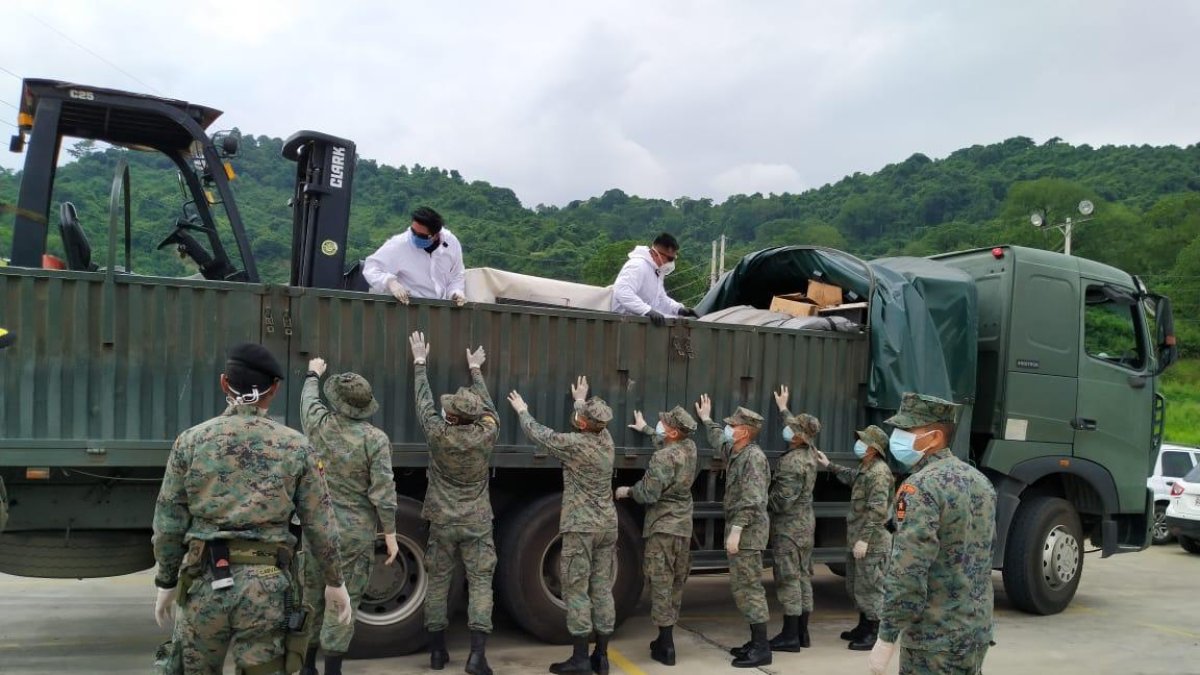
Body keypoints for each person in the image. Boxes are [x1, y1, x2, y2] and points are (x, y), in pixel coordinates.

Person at [151, 343, 353, 674]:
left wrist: (166, 581)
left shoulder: (190, 441)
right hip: (267, 588)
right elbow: (320, 523)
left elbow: (168, 522)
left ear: (223, 383)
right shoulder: (296, 446)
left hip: (203, 582)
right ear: (274, 390)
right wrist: (336, 581)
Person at [868, 393, 996, 675]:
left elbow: (908, 571)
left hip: (934, 638)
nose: (897, 437)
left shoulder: (921, 486)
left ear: (935, 437)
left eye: (906, 430)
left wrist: (886, 635)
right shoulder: (980, 481)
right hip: (975, 631)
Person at [508, 377, 617, 675]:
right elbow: (589, 423)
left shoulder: (574, 444)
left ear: (583, 425)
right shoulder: (606, 440)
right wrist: (580, 401)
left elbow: (540, 435)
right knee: (602, 589)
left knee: (576, 591)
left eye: (580, 417)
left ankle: (580, 658)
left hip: (581, 527)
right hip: (608, 525)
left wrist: (522, 410)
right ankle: (602, 657)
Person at [298, 359, 399, 675]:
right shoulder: (376, 439)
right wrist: (391, 533)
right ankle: (332, 670)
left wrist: (314, 373)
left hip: (317, 530)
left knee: (311, 596)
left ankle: (306, 667)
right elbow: (383, 490)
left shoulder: (319, 424)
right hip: (354, 536)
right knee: (343, 603)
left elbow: (308, 401)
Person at [409, 332, 500, 675]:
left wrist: (420, 364)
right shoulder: (487, 433)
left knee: (438, 585)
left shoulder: (437, 433)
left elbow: (423, 403)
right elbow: (489, 409)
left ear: (450, 417)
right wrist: (476, 371)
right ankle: (477, 657)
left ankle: (437, 653)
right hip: (477, 523)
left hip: (443, 522)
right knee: (480, 585)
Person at [614, 406, 699, 666]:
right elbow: (668, 446)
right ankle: (664, 640)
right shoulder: (691, 448)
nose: (660, 424)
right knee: (675, 583)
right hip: (682, 528)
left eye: (664, 423)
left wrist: (627, 491)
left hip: (662, 528)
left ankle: (666, 645)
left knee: (660, 584)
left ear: (673, 432)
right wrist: (648, 430)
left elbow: (648, 493)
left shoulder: (663, 458)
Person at [694, 395, 772, 668]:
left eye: (734, 425)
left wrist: (737, 530)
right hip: (742, 529)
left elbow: (753, 499)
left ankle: (762, 648)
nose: (730, 428)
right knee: (741, 588)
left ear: (745, 431)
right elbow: (719, 440)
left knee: (749, 589)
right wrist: (706, 419)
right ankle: (755, 641)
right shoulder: (736, 451)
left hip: (749, 533)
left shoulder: (753, 458)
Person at [814, 425, 893, 651]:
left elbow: (877, 510)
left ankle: (875, 633)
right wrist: (829, 465)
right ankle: (863, 626)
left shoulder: (879, 473)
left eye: (864, 441)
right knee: (857, 585)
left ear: (873, 449)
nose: (859, 444)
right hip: (858, 537)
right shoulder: (865, 468)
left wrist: (865, 539)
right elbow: (850, 477)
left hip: (873, 542)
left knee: (872, 587)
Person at [765, 385, 820, 652]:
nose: (789, 430)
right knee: (802, 577)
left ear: (799, 436)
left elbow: (781, 501)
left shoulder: (792, 462)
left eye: (794, 429)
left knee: (788, 579)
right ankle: (802, 633)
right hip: (805, 525)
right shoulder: (810, 452)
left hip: (789, 528)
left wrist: (761, 501)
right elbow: (799, 426)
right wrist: (784, 408)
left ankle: (789, 636)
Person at [363, 206, 467, 306]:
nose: (416, 237)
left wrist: (455, 292)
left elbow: (457, 274)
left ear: (436, 235)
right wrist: (390, 282)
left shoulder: (451, 243)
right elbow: (371, 268)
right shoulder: (399, 244)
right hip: (409, 306)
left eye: (422, 236)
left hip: (440, 308)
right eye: (413, 232)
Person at [610, 233, 697, 325]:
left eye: (674, 258)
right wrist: (646, 310)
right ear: (656, 254)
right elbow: (622, 292)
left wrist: (679, 309)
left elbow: (660, 299)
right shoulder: (637, 266)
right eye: (670, 259)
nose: (671, 262)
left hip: (639, 325)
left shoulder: (656, 271)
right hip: (622, 324)